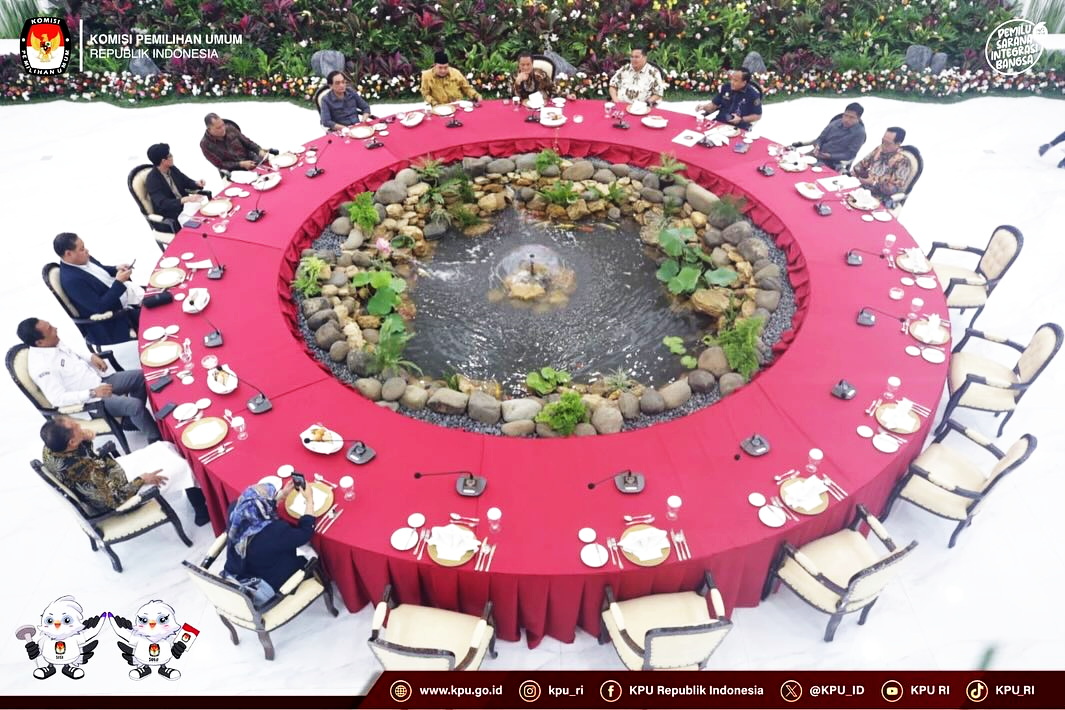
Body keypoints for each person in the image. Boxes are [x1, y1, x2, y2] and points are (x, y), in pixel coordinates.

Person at [40, 416, 208, 525]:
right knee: (181, 466)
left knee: (163, 447)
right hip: (117, 494)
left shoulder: (51, 447)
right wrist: (142, 479)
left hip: (108, 472)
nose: (79, 424)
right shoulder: (81, 470)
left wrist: (84, 438)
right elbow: (113, 499)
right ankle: (202, 512)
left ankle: (198, 496)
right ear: (71, 442)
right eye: (76, 426)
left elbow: (86, 458)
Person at [17, 318, 161, 442]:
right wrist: (92, 393)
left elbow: (74, 351)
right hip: (93, 400)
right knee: (134, 406)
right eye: (50, 329)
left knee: (142, 377)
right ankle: (156, 439)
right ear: (40, 342)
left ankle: (135, 420)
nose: (55, 328)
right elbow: (58, 399)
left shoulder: (51, 343)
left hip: (100, 381)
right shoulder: (42, 367)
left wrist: (90, 356)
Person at [222, 482, 315, 603]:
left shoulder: (236, 510)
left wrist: (281, 495)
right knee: (307, 556)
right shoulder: (273, 532)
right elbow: (305, 533)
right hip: (269, 581)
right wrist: (309, 500)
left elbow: (260, 507)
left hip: (244, 568)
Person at [54, 232, 141, 346]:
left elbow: (101, 270)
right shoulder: (72, 280)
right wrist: (119, 282)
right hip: (117, 317)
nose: (86, 250)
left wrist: (116, 268)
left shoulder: (82, 258)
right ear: (68, 254)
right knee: (160, 311)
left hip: (128, 295)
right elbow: (100, 307)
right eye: (81, 249)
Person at [144, 143, 209, 225]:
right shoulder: (152, 180)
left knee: (208, 215)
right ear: (163, 161)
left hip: (186, 207)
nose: (172, 157)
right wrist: (184, 200)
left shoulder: (172, 168)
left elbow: (186, 181)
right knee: (201, 224)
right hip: (171, 215)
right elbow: (162, 203)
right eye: (170, 155)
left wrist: (196, 183)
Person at [791, 102, 867, 171]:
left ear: (858, 118)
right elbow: (821, 138)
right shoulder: (836, 123)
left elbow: (850, 154)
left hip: (834, 162)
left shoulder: (860, 133)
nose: (846, 119)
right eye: (845, 115)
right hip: (817, 154)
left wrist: (830, 156)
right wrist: (817, 145)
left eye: (851, 117)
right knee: (793, 164)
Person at [850, 127, 912, 200]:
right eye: (883, 141)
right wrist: (857, 172)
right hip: (861, 188)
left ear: (897, 144)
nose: (883, 145)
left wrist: (873, 183)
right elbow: (861, 164)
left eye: (887, 143)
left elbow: (893, 189)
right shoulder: (879, 149)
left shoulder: (903, 162)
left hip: (878, 197)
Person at [199, 113, 275, 172]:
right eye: (218, 128)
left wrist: (259, 150)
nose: (223, 129)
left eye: (223, 125)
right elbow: (220, 164)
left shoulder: (230, 128)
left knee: (270, 168)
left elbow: (247, 142)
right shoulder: (205, 144)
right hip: (234, 170)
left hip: (249, 158)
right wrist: (241, 164)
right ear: (209, 129)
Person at [697, 69, 762, 129]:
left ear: (744, 83)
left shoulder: (753, 94)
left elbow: (757, 115)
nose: (732, 82)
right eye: (732, 79)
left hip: (738, 127)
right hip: (720, 122)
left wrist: (741, 119)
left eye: (735, 80)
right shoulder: (726, 87)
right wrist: (704, 107)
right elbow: (714, 105)